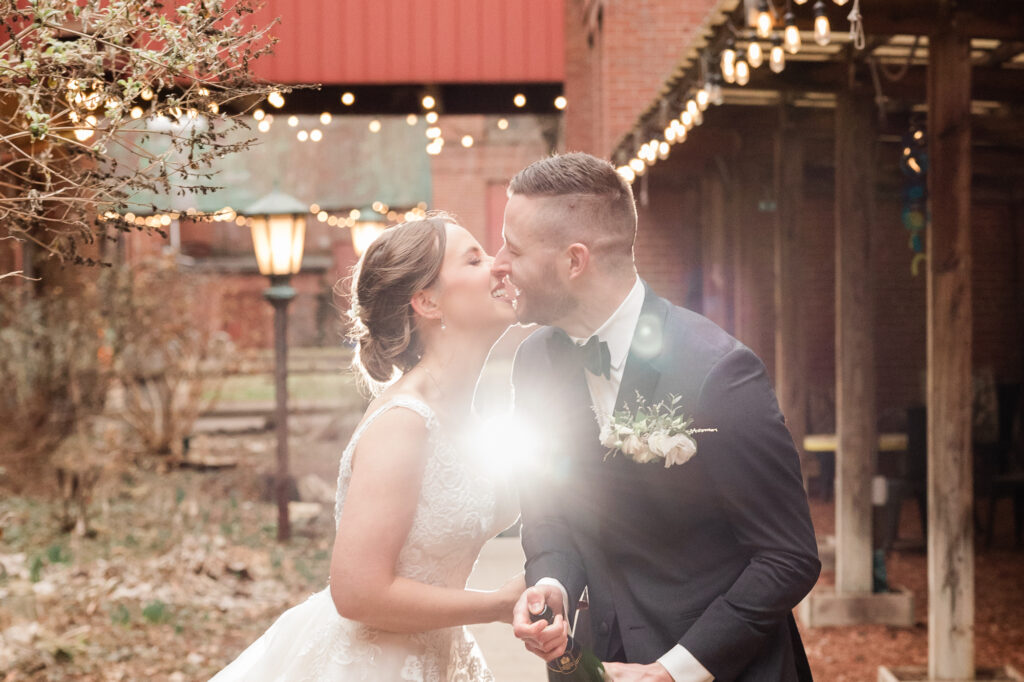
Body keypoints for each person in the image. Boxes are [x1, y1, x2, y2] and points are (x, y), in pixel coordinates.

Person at [493, 153, 821, 682]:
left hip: (723, 668)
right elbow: (550, 515)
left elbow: (788, 558)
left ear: (575, 261)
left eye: (513, 248)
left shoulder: (720, 374)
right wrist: (550, 584)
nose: (497, 265)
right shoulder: (533, 363)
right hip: (592, 664)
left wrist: (671, 672)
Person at [211, 214, 523, 681]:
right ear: (428, 302)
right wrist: (497, 605)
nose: (499, 266)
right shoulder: (404, 424)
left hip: (436, 655)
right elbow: (358, 593)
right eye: (474, 259)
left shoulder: (469, 417)